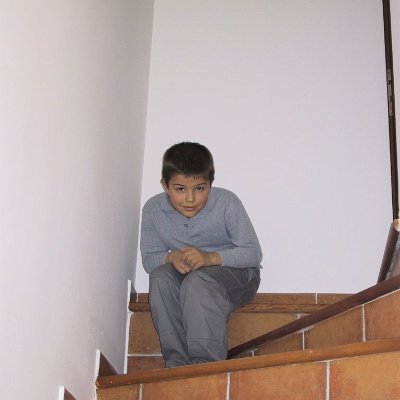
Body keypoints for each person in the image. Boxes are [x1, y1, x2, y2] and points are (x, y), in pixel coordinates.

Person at [140, 142, 262, 368]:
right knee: (160, 277)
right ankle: (177, 365)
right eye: (180, 189)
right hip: (188, 278)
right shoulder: (153, 209)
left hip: (237, 276)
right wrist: (171, 257)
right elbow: (149, 259)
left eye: (199, 189)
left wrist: (210, 258)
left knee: (198, 282)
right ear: (165, 186)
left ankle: (206, 367)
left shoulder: (227, 202)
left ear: (210, 184)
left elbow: (253, 254)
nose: (190, 198)